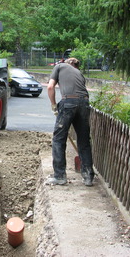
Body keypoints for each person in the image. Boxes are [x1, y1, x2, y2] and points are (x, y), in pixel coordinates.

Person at [46, 57, 95, 186]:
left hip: (68, 103)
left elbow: (50, 87)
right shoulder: (79, 73)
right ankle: (88, 176)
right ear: (76, 66)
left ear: (67, 63)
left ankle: (60, 176)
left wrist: (54, 105)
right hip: (84, 103)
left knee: (58, 139)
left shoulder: (59, 66)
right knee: (84, 141)